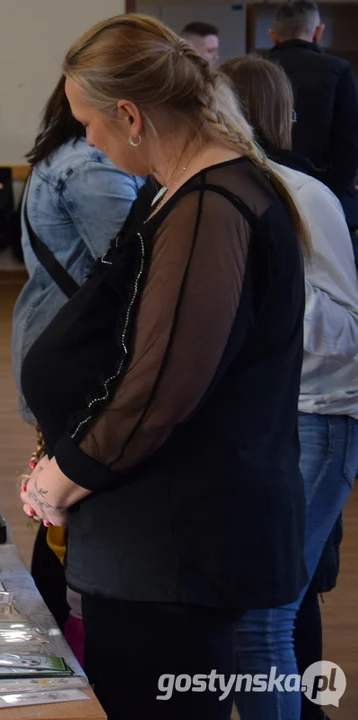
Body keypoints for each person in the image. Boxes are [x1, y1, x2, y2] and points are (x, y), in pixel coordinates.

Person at [19, 15, 309, 720]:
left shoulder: (211, 202)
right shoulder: (180, 190)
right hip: (158, 541)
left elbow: (159, 389)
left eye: (88, 122)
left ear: (129, 115)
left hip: (178, 546)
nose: (85, 138)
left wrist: (64, 476)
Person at [220, 54, 358, 720]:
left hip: (317, 417)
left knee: (261, 616)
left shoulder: (303, 197)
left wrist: (257, 292)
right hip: (260, 420)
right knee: (266, 607)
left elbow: (345, 328)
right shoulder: (217, 192)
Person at [12, 74, 145, 663]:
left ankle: (61, 628)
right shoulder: (90, 165)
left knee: (57, 501)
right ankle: (68, 636)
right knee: (64, 504)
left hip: (59, 342)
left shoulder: (67, 157)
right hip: (79, 356)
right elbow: (138, 273)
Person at [269, 0, 358, 231]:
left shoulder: (252, 70)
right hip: (324, 198)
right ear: (319, 32)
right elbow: (348, 147)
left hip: (266, 199)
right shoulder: (339, 71)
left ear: (273, 35)